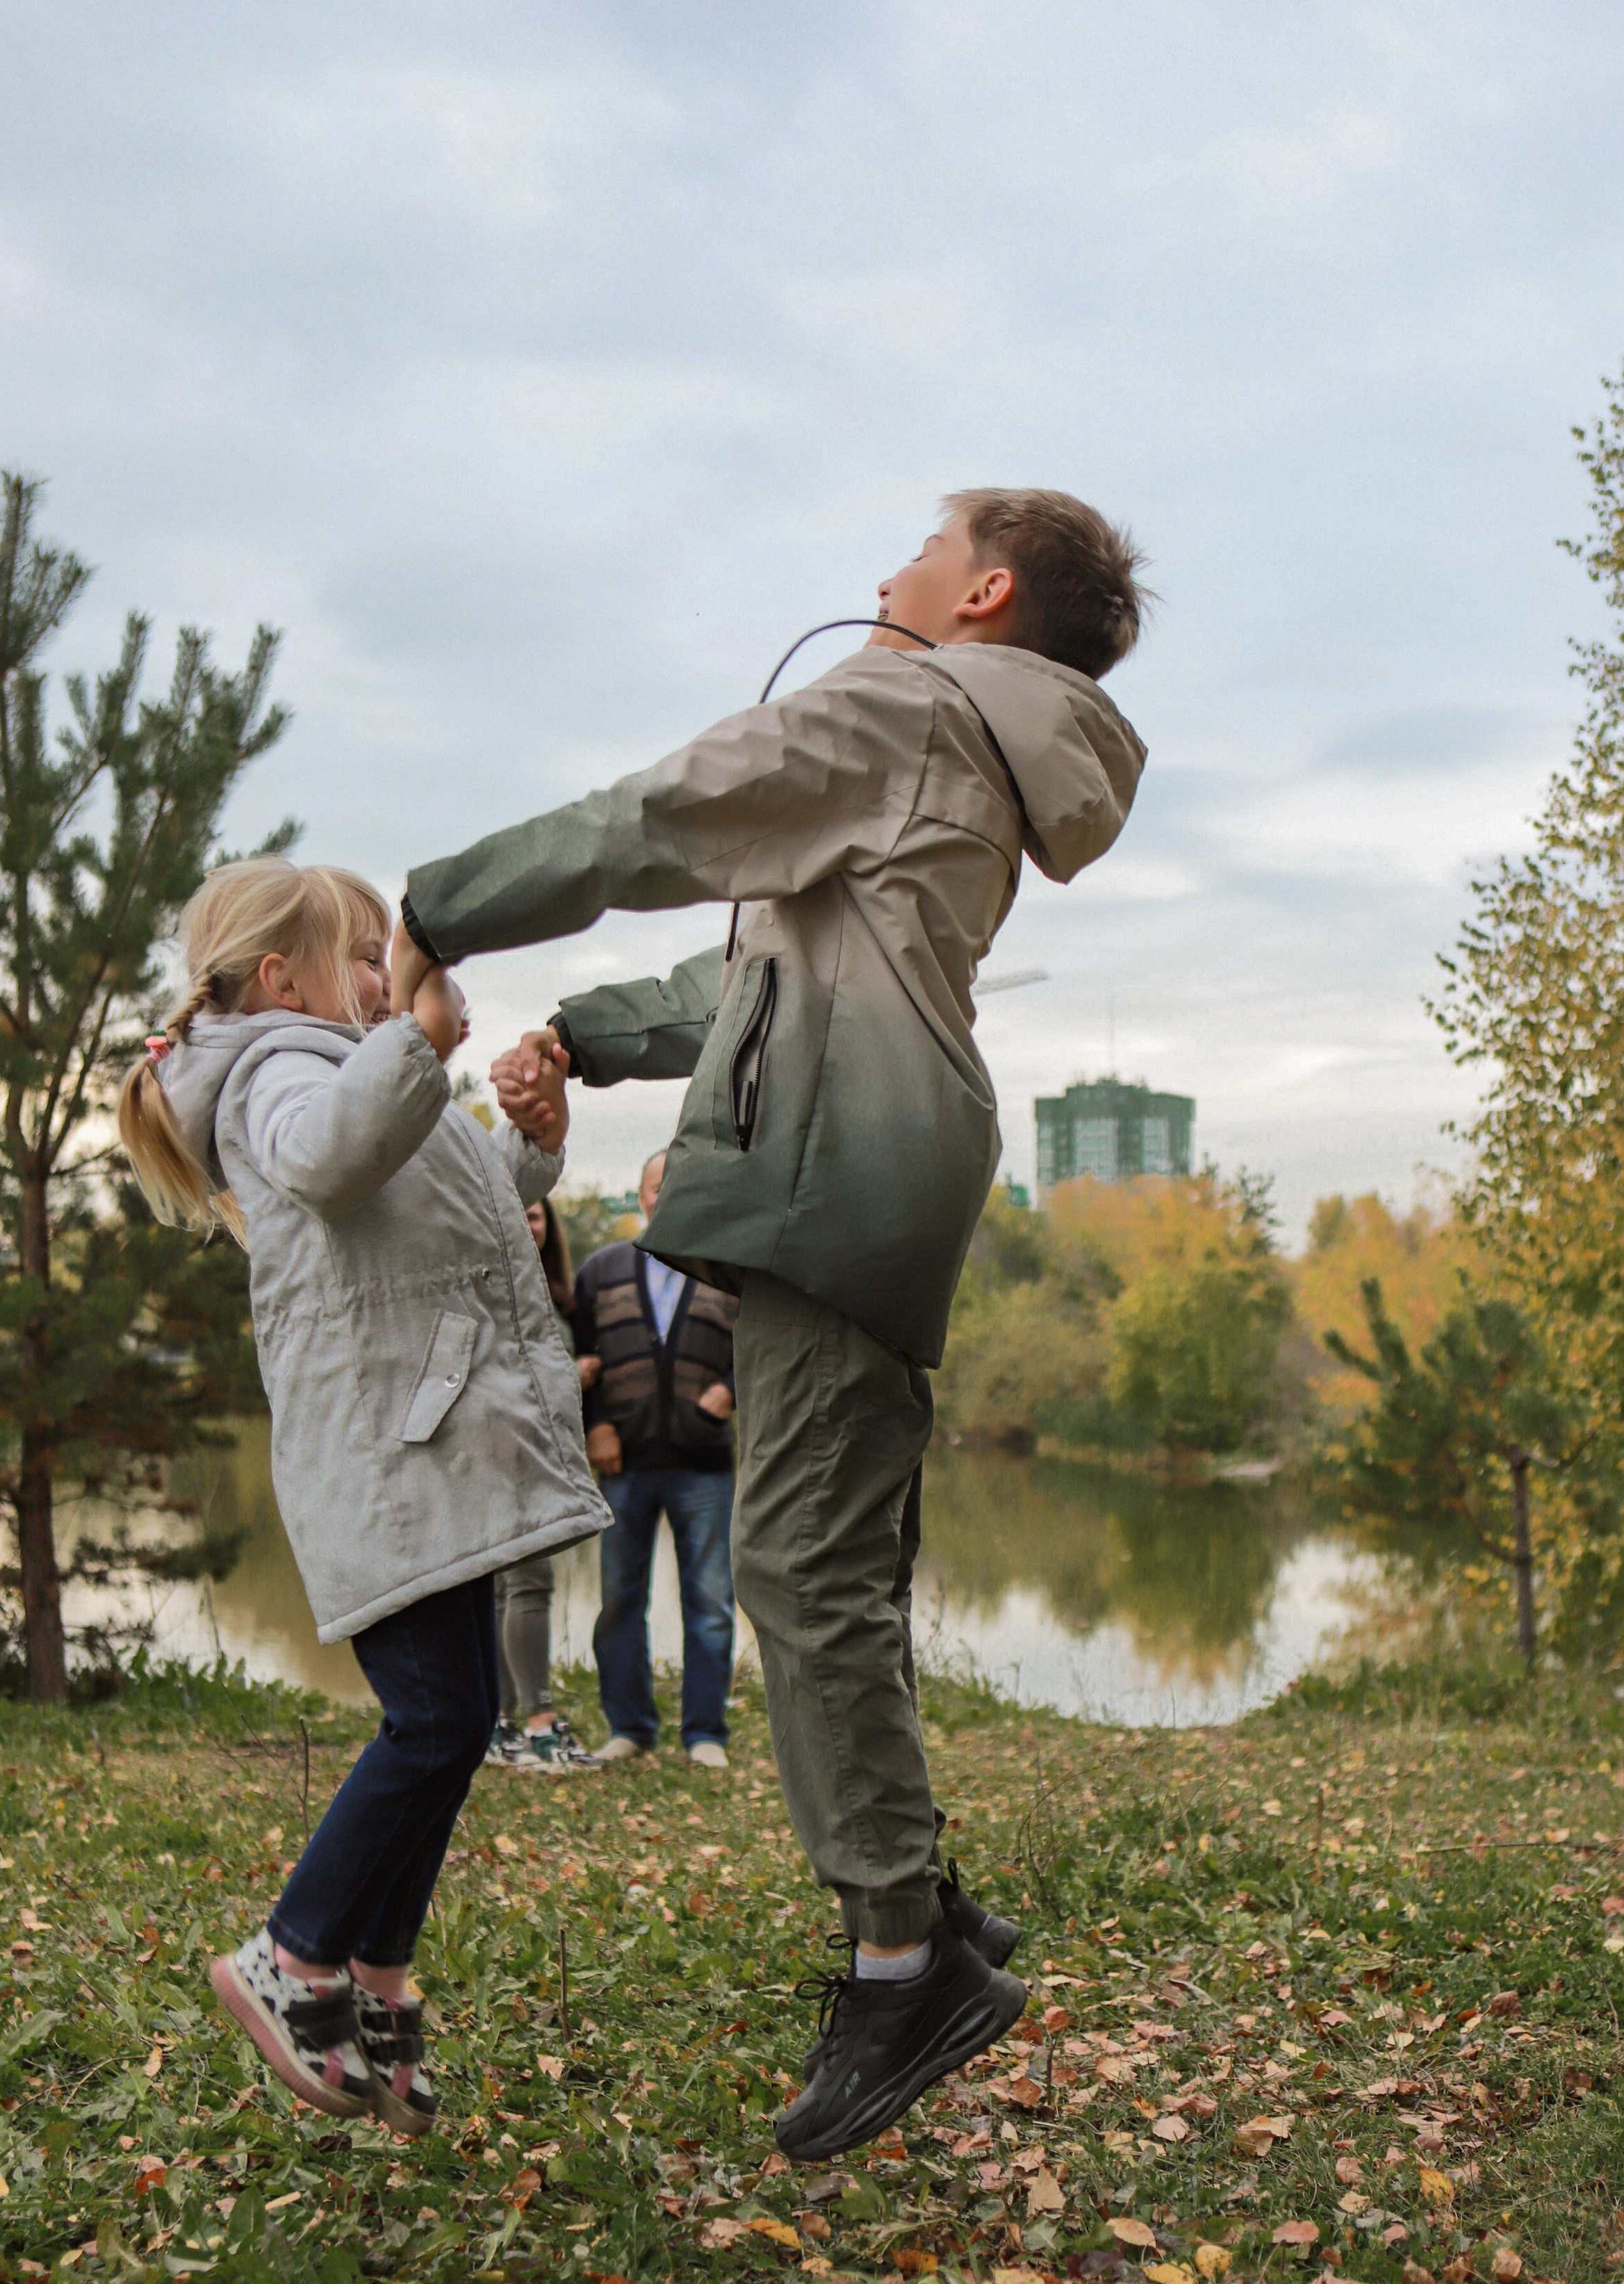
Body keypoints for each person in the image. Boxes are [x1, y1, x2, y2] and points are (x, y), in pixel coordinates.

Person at [393, 489, 1147, 2159]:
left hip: (833, 1174)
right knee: (846, 1567)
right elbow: (769, 986)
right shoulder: (971, 744)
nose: (884, 574)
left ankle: (899, 1962)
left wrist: (432, 908)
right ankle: (926, 1907)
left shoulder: (909, 700)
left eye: (918, 552)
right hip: (881, 1157)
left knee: (796, 1573)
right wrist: (589, 1038)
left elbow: (659, 813)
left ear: (982, 591)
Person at [118, 858, 609, 2135]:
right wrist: (416, 1044)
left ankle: (378, 1981)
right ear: (283, 978)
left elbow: (460, 1209)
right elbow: (335, 1163)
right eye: (371, 958)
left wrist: (531, 1142)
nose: (392, 978)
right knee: (439, 1720)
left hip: (427, 1439)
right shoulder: (279, 1077)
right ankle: (291, 1951)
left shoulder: (346, 1066)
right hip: (384, 1453)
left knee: (460, 1714)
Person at [569, 1149, 739, 1766]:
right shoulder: (601, 1271)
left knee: (712, 1602)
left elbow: (765, 1345)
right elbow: (579, 1358)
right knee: (619, 1600)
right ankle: (630, 1727)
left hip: (704, 1465)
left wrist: (732, 1388)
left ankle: (705, 1735)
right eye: (656, 1185)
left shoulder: (730, 1270)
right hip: (625, 1465)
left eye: (678, 1186)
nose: (666, 1195)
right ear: (641, 1196)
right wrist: (596, 1427)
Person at [488, 1193, 601, 1771]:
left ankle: (503, 1724)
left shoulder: (554, 1293)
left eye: (536, 1215)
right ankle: (539, 1726)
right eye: (519, 1213)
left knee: (511, 1588)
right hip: (507, 1452)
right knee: (528, 1584)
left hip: (543, 1454)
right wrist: (572, 1377)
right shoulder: (490, 1286)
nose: (527, 1223)